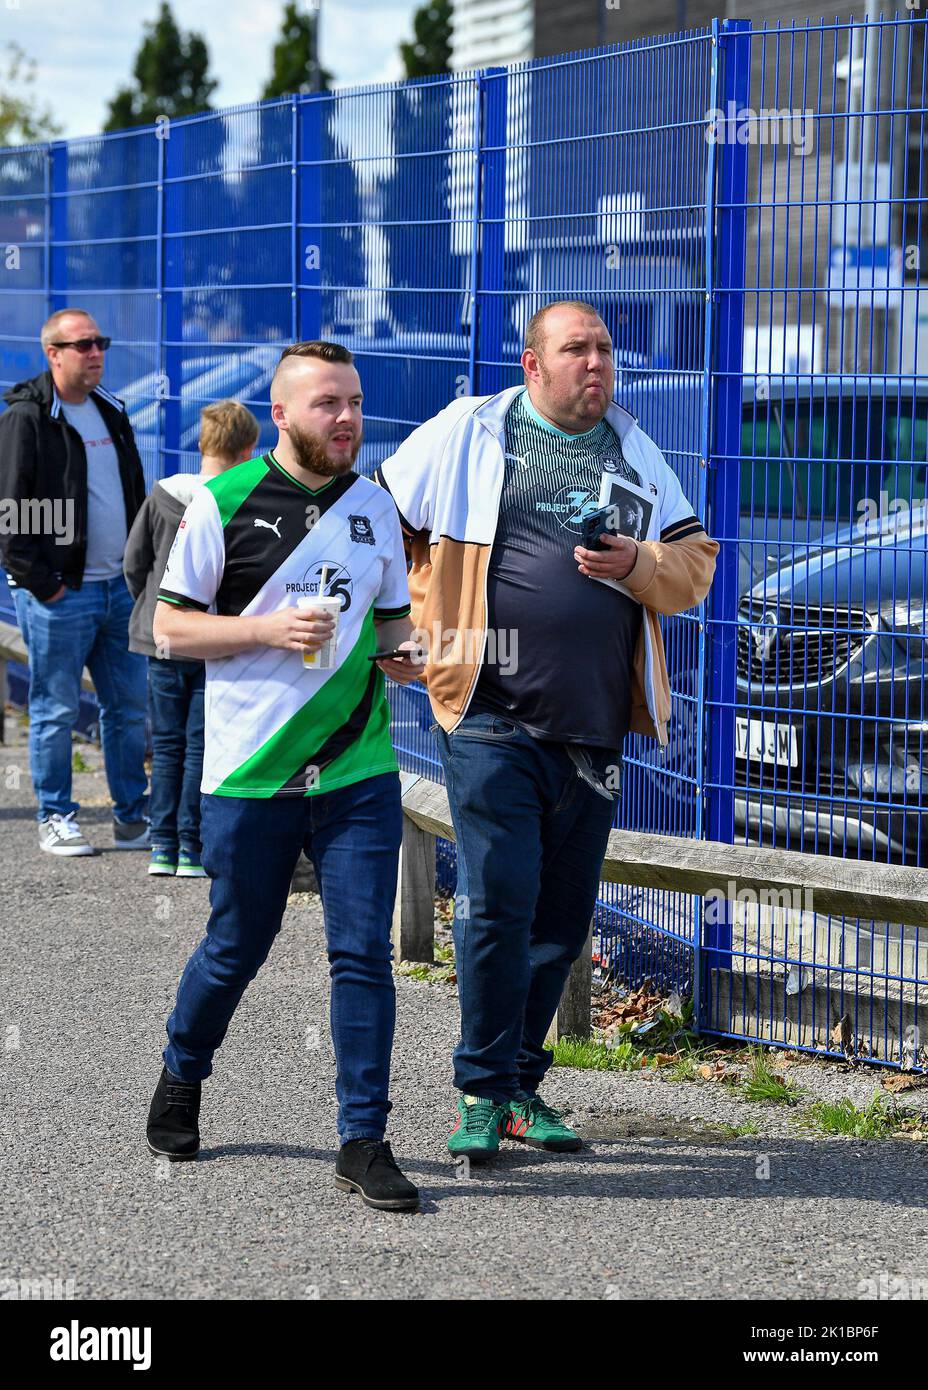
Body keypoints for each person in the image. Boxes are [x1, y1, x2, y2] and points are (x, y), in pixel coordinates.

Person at [375, 300, 719, 1162]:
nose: (597, 363)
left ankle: (523, 1082)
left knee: (560, 921)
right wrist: (396, 628)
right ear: (534, 365)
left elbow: (696, 568)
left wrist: (637, 564)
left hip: (594, 727)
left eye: (604, 348)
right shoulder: (470, 430)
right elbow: (378, 518)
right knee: (499, 904)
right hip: (487, 710)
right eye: (577, 350)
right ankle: (482, 1092)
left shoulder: (633, 448)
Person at [145, 341, 423, 1213]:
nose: (346, 418)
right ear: (283, 416)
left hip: (357, 770)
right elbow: (168, 632)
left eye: (354, 401)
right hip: (249, 775)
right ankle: (183, 1071)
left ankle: (364, 1139)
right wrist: (265, 633)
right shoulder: (222, 503)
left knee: (362, 955)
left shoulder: (377, 506)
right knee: (238, 945)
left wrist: (409, 660)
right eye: (326, 405)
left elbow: (388, 634)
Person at [0, 308, 150, 856]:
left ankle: (132, 819)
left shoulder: (111, 409)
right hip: (61, 595)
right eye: (82, 344)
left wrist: (138, 575)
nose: (95, 353)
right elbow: (9, 513)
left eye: (100, 342)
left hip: (119, 592)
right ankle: (56, 816)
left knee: (129, 710)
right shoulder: (28, 417)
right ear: (53, 353)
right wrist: (45, 584)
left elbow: (133, 494)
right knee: (56, 709)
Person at [124, 400, 260, 879]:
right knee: (201, 744)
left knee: (165, 743)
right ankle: (190, 845)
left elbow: (133, 563)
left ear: (201, 443)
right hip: (211, 640)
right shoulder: (238, 499)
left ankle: (160, 844)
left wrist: (150, 613)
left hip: (161, 640)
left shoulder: (162, 494)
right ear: (249, 449)